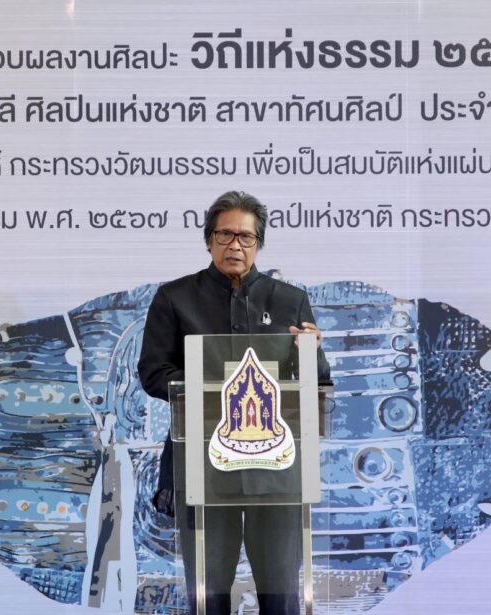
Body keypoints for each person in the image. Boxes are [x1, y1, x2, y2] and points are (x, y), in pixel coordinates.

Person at [137, 190, 330, 615]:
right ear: (209, 240)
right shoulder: (175, 298)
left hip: (276, 468)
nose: (235, 246)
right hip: (202, 463)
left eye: (246, 237)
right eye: (225, 235)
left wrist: (311, 351)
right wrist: (217, 392)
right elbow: (153, 373)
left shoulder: (290, 299)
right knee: (208, 594)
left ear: (259, 244)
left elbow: (316, 382)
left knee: (281, 594)